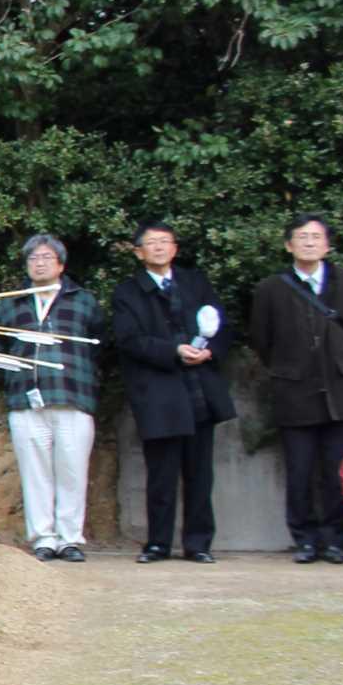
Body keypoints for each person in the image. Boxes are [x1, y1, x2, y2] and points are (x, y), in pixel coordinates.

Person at [111, 222, 235, 563]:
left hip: (199, 390)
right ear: (139, 252)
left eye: (165, 242)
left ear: (175, 248)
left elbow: (223, 325)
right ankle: (158, 543)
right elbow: (129, 340)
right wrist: (173, 351)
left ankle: (198, 543)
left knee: (200, 474)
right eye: (151, 243)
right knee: (162, 474)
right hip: (159, 393)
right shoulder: (128, 292)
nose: (159, 248)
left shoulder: (196, 282)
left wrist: (211, 351)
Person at [247, 214, 343, 565]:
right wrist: (289, 369)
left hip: (342, 392)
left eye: (316, 237)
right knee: (299, 471)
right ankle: (305, 539)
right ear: (288, 245)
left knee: (339, 471)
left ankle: (337, 540)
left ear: (328, 244)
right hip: (295, 394)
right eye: (301, 237)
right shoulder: (270, 289)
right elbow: (261, 340)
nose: (309, 242)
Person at [0, 233, 105, 562]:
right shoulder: (11, 302)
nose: (39, 263)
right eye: (33, 258)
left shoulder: (83, 300)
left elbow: (100, 343)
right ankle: (43, 538)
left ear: (61, 264)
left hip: (73, 396)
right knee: (34, 471)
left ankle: (70, 538)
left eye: (46, 257)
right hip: (25, 399)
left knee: (72, 470)